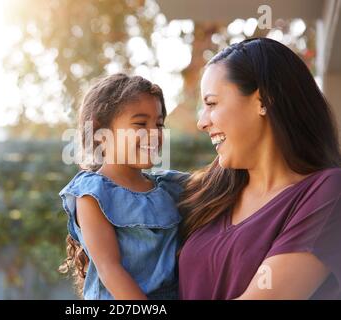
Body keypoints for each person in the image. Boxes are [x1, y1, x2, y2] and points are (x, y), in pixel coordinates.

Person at [178, 37, 341, 300]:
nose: (201, 122)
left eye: (211, 103)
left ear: (263, 100)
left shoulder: (328, 193)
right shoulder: (207, 191)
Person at [59, 73, 189, 299]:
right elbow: (111, 270)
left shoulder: (169, 187)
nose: (154, 133)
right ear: (100, 133)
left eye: (159, 124)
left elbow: (217, 180)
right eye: (140, 123)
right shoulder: (92, 194)